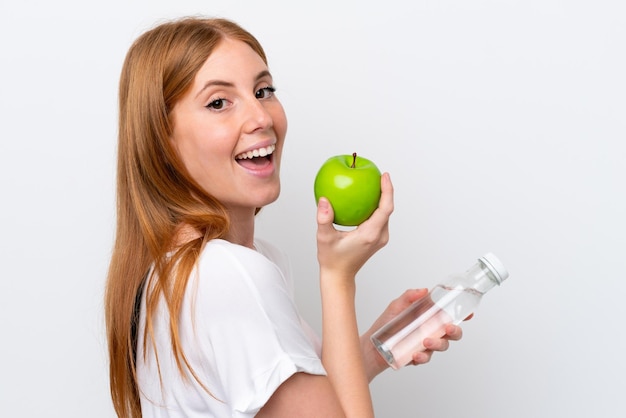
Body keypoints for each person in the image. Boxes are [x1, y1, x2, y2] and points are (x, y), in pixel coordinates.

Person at [104, 16, 464, 418]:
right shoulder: (227, 275)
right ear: (162, 141)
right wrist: (338, 279)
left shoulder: (189, 269)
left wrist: (374, 351)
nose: (261, 117)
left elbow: (302, 404)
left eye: (263, 90)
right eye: (219, 102)